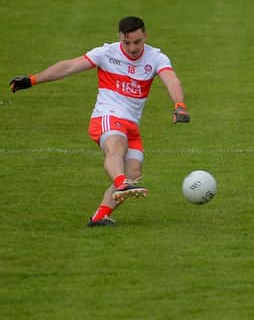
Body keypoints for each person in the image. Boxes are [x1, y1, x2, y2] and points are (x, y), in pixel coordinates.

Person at [9, 16, 190, 227]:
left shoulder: (156, 57)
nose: (132, 48)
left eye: (137, 42)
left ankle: (100, 217)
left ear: (145, 36)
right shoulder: (106, 53)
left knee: (133, 172)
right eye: (127, 42)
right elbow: (68, 67)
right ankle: (121, 183)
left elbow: (172, 80)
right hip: (107, 116)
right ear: (119, 38)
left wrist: (179, 105)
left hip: (131, 124)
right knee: (117, 146)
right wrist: (33, 80)